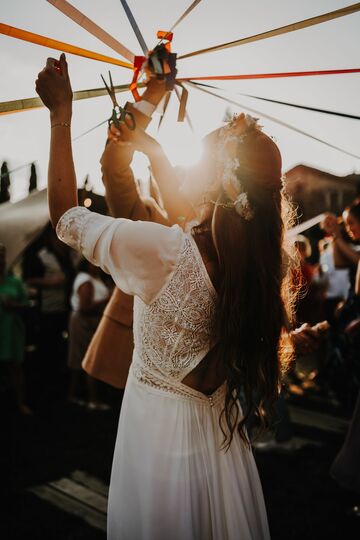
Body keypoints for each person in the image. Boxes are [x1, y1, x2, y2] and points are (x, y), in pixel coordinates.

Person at [36, 53, 299, 540]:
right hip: (221, 450)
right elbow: (195, 212)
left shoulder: (168, 251)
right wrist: (154, 104)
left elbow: (65, 218)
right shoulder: (264, 264)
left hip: (157, 441)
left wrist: (61, 117)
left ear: (219, 180)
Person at [67, 259, 110, 409]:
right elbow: (85, 307)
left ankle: (74, 395)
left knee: (83, 358)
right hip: (83, 322)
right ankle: (92, 399)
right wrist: (107, 299)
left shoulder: (94, 278)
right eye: (94, 262)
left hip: (89, 322)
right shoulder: (85, 281)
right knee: (88, 358)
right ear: (87, 264)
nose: (98, 265)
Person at [0, 243, 32, 415]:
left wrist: (14, 305)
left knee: (16, 368)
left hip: (12, 331)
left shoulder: (14, 282)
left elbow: (27, 305)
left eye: (2, 256)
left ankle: (20, 403)